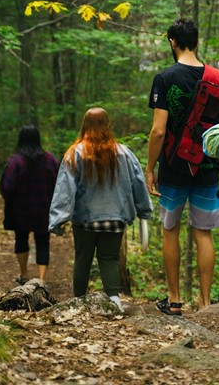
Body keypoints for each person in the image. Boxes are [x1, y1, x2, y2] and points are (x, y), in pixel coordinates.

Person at [145, 18, 219, 316]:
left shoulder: (164, 77)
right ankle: (205, 303)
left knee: (170, 229)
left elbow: (158, 131)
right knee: (204, 233)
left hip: (173, 166)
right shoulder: (217, 77)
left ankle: (174, 300)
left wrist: (150, 168)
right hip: (207, 167)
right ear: (197, 42)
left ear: (172, 42)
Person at [48, 107, 153, 312]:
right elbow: (138, 182)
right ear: (108, 125)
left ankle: (78, 301)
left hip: (84, 220)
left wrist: (58, 219)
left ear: (84, 126)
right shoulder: (124, 152)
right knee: (109, 259)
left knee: (82, 259)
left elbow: (65, 189)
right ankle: (114, 301)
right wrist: (143, 211)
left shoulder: (75, 153)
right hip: (116, 217)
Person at [0, 124, 60, 285]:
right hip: (44, 209)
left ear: (21, 139)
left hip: (20, 211)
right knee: (43, 243)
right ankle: (41, 280)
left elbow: (7, 187)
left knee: (20, 239)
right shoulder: (50, 159)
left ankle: (24, 275)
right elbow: (59, 183)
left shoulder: (15, 162)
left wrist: (11, 201)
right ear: (38, 139)